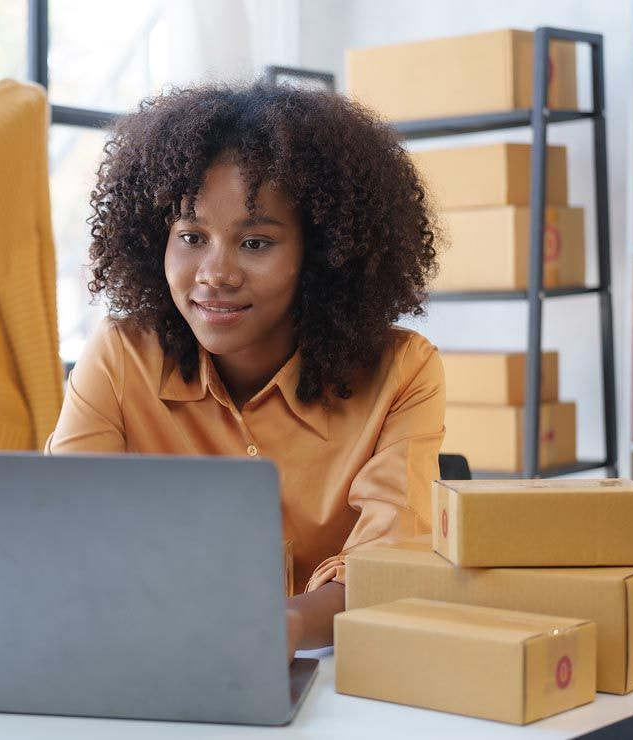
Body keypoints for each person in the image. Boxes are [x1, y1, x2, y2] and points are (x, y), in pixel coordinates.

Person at [46, 81, 445, 662]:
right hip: (153, 660)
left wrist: (280, 627)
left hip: (338, 682)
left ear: (324, 254)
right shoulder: (118, 358)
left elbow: (394, 562)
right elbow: (63, 536)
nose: (215, 273)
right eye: (190, 237)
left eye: (255, 242)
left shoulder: (403, 371)